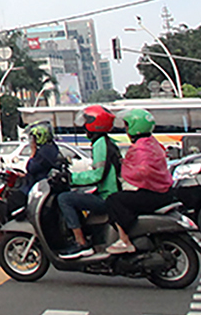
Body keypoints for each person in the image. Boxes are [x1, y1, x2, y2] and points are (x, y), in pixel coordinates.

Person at [104, 108, 174, 255]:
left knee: (113, 200)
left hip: (154, 194)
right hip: (164, 191)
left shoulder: (140, 148)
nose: (126, 130)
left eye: (127, 126)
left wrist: (126, 166)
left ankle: (124, 240)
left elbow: (143, 171)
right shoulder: (152, 143)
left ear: (136, 127)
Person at [57, 104, 121, 258]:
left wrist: (71, 178)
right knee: (78, 194)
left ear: (95, 123)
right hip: (110, 193)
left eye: (87, 121)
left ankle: (81, 243)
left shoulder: (101, 144)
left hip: (108, 197)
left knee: (64, 199)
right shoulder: (107, 141)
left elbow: (97, 175)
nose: (84, 125)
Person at [22, 122, 61, 187]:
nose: (32, 140)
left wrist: (33, 153)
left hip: (41, 185)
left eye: (34, 138)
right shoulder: (51, 147)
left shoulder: (44, 152)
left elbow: (31, 168)